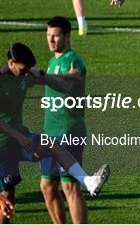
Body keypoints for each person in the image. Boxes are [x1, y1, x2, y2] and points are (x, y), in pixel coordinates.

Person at [0, 43, 109, 223]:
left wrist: (68, 77)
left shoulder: (23, 76)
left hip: (19, 140)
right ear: (12, 63)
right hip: (3, 146)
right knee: (7, 198)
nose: (28, 70)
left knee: (52, 144)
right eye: (24, 67)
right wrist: (18, 136)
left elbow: (54, 82)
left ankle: (88, 182)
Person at [38, 16, 88, 224]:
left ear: (67, 36)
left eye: (56, 36)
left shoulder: (73, 60)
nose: (51, 40)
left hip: (69, 131)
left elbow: (72, 81)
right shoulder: (53, 60)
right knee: (47, 185)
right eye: (48, 36)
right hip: (51, 132)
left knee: (69, 186)